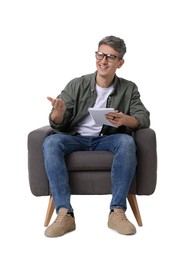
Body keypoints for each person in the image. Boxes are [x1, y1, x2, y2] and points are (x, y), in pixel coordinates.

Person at [42, 35, 150, 237]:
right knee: (51, 142)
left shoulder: (129, 88)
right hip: (76, 137)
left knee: (126, 141)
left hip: (107, 139)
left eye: (110, 57)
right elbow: (58, 120)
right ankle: (64, 213)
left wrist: (124, 119)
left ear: (120, 62)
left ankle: (117, 211)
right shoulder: (77, 84)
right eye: (100, 54)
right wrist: (57, 113)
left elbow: (143, 117)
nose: (103, 61)